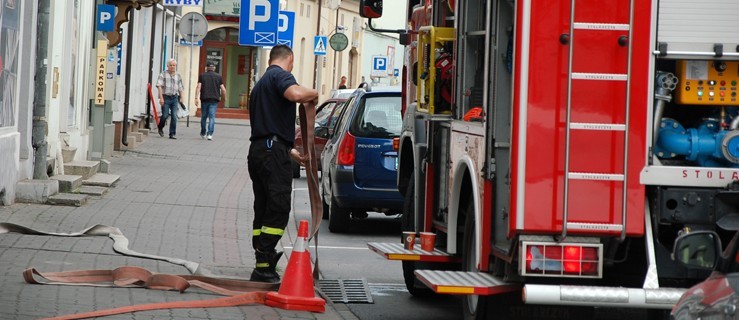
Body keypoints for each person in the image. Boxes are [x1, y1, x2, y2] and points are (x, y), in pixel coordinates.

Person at [247, 44, 318, 283]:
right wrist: (314, 93)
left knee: (264, 206)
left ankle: (262, 258)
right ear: (291, 59)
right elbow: (296, 95)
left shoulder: (260, 85)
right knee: (278, 208)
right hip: (270, 152)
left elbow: (269, 125)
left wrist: (289, 151)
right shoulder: (281, 75)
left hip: (259, 150)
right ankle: (264, 261)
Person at [195, 62, 226, 141]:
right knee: (212, 117)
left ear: (206, 68)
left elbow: (199, 87)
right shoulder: (218, 76)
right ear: (214, 68)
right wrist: (224, 97)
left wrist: (196, 98)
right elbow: (223, 89)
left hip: (204, 99)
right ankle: (210, 134)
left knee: (204, 116)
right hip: (214, 100)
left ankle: (203, 132)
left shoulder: (202, 76)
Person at [156, 59, 185, 139]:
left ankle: (172, 134)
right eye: (171, 65)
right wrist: (161, 98)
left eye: (174, 65)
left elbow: (180, 87)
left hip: (174, 97)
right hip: (165, 97)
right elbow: (159, 86)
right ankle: (160, 127)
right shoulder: (163, 74)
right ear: (167, 66)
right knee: (165, 115)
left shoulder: (178, 75)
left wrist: (181, 97)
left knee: (174, 116)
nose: (172, 67)